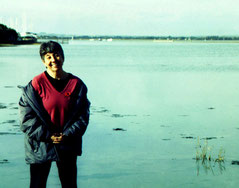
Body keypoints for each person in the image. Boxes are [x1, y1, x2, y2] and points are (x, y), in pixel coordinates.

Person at [19, 41, 90, 188]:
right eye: (48, 56)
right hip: (40, 145)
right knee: (37, 184)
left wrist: (67, 135)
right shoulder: (35, 85)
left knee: (69, 184)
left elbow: (83, 117)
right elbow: (26, 119)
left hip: (67, 143)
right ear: (43, 61)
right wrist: (48, 136)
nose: (53, 60)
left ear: (63, 57)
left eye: (57, 55)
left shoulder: (77, 84)